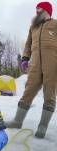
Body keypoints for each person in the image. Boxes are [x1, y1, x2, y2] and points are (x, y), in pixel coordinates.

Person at [6, 2, 57, 138]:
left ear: (46, 10)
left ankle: (43, 126)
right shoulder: (33, 27)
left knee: (49, 93)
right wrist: (25, 59)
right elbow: (28, 44)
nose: (36, 11)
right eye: (36, 9)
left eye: (39, 9)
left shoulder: (55, 24)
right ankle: (17, 121)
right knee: (28, 90)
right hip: (35, 65)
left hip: (52, 64)